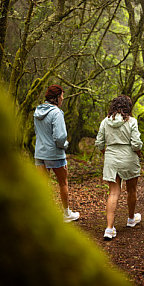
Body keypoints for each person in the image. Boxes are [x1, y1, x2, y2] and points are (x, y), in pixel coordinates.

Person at [95, 95, 143, 240]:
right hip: (129, 157)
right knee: (131, 190)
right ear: (128, 107)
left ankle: (109, 229)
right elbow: (136, 144)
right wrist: (139, 154)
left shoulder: (105, 122)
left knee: (114, 193)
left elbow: (99, 143)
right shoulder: (132, 121)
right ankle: (130, 219)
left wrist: (107, 154)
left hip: (111, 159)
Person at [33, 84, 80, 223]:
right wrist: (65, 145)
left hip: (39, 154)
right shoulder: (56, 113)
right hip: (55, 154)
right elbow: (60, 137)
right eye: (62, 96)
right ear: (57, 98)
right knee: (63, 183)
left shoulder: (37, 111)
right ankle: (66, 214)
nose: (63, 99)